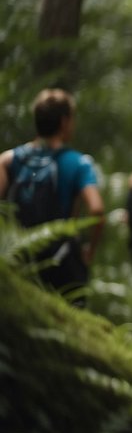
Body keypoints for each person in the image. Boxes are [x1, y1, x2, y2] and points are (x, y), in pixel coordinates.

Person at [0, 88, 104, 301]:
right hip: (62, 261)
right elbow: (96, 209)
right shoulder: (78, 163)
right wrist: (89, 251)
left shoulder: (8, 160)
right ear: (64, 122)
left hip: (19, 255)